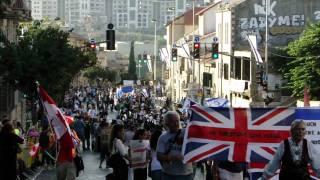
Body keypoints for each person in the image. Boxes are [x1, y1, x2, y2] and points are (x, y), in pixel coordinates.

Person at [156, 111, 193, 180]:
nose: (176, 124)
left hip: (186, 175)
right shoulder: (162, 137)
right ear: (167, 123)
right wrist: (172, 157)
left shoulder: (186, 133)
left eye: (177, 121)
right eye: (172, 122)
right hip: (168, 175)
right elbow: (159, 156)